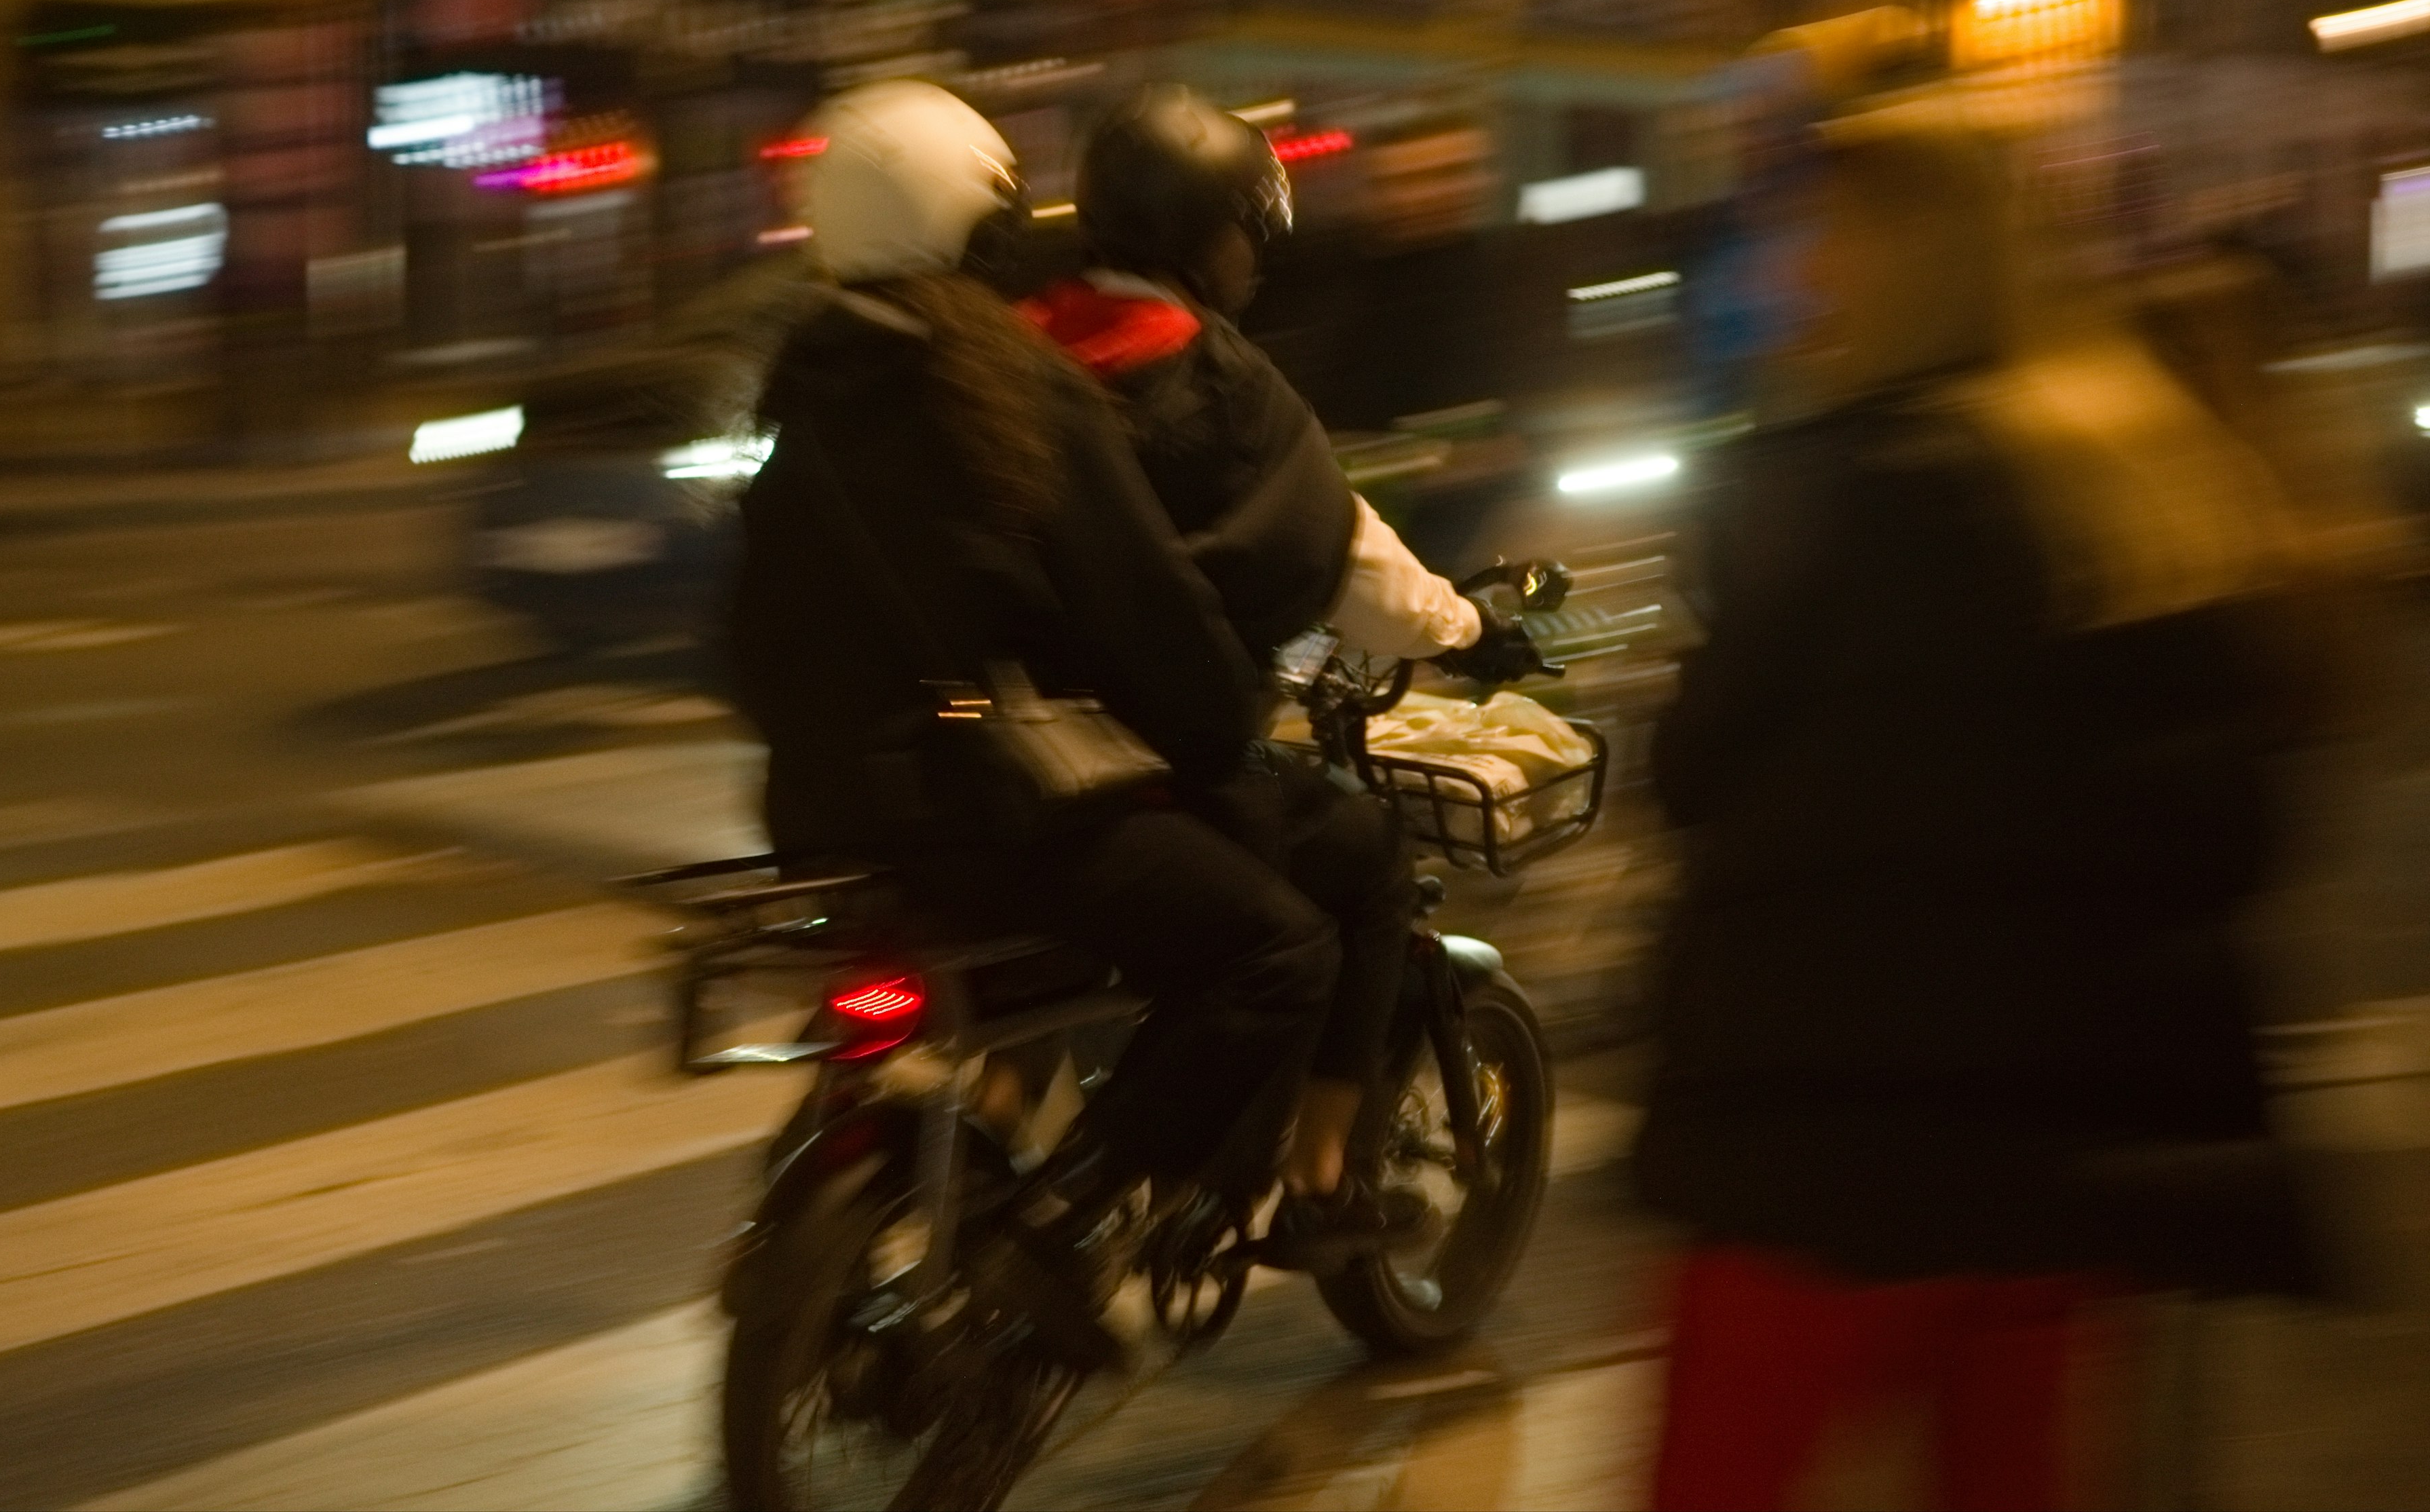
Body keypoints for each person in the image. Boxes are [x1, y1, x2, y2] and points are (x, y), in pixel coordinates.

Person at [1635, 113, 2323, 1511]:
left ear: (1899, 257)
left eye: (1822, 231)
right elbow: (2229, 825)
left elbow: (1696, 769)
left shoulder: (1847, 483)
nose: (1797, 263)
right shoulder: (2133, 478)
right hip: (2054, 1159)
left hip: (1827, 1141)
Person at [729, 79, 1340, 1365]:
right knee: (1274, 951)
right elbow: (1143, 609)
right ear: (985, 228)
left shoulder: (795, 400)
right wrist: (1228, 724)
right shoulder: (1008, 385)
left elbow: (738, 650)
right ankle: (1065, 1224)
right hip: (982, 808)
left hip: (818, 818)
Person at [1019, 86, 1543, 1264]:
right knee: (1357, 869)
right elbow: (1344, 551)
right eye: (1245, 230)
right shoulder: (1212, 378)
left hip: (988, 743)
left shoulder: (1010, 337)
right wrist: (1468, 630)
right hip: (1139, 753)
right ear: (1215, 238)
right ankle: (1317, 1181)